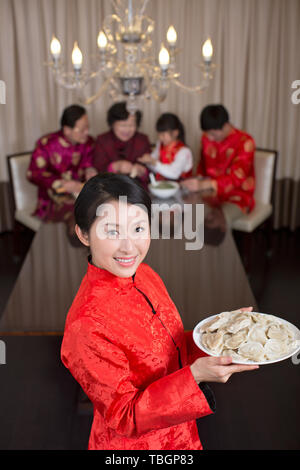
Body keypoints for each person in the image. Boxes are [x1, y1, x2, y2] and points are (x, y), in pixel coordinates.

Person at [60, 173, 258, 450]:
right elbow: (125, 416)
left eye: (139, 229)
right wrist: (195, 376)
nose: (130, 247)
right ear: (83, 234)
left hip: (181, 434)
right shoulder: (87, 324)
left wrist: (220, 334)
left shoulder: (144, 273)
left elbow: (168, 347)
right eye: (112, 231)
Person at [181, 104, 255, 225]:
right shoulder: (206, 137)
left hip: (237, 197)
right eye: (207, 133)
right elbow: (202, 166)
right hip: (208, 194)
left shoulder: (245, 141)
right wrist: (196, 181)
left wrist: (204, 184)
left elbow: (237, 178)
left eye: (213, 134)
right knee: (186, 214)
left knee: (216, 221)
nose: (209, 138)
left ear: (225, 126)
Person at [27, 104, 97, 224]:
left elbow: (88, 162)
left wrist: (90, 170)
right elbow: (33, 174)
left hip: (81, 195)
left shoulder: (89, 142)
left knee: (102, 209)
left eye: (87, 128)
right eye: (82, 130)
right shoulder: (46, 143)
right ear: (67, 130)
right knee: (80, 216)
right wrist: (61, 183)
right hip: (52, 200)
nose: (86, 132)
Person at [93, 101, 151, 181]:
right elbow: (96, 170)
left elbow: (152, 170)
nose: (127, 130)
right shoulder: (102, 140)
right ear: (112, 124)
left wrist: (142, 171)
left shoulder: (142, 140)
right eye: (123, 125)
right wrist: (115, 166)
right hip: (108, 188)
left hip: (137, 188)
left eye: (131, 125)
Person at [138, 112, 193, 181]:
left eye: (163, 135)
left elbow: (174, 174)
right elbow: (155, 167)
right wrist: (149, 161)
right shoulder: (160, 144)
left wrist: (154, 162)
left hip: (182, 187)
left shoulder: (184, 151)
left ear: (175, 133)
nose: (160, 138)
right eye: (159, 134)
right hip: (162, 184)